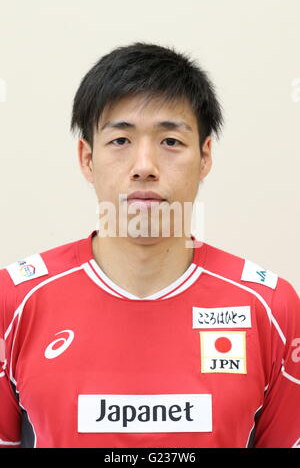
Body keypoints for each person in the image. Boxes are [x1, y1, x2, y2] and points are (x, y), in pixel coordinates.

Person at [0, 42, 299, 449]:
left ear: (205, 156)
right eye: (120, 140)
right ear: (87, 158)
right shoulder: (14, 301)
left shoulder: (271, 307)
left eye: (170, 141)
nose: (145, 166)